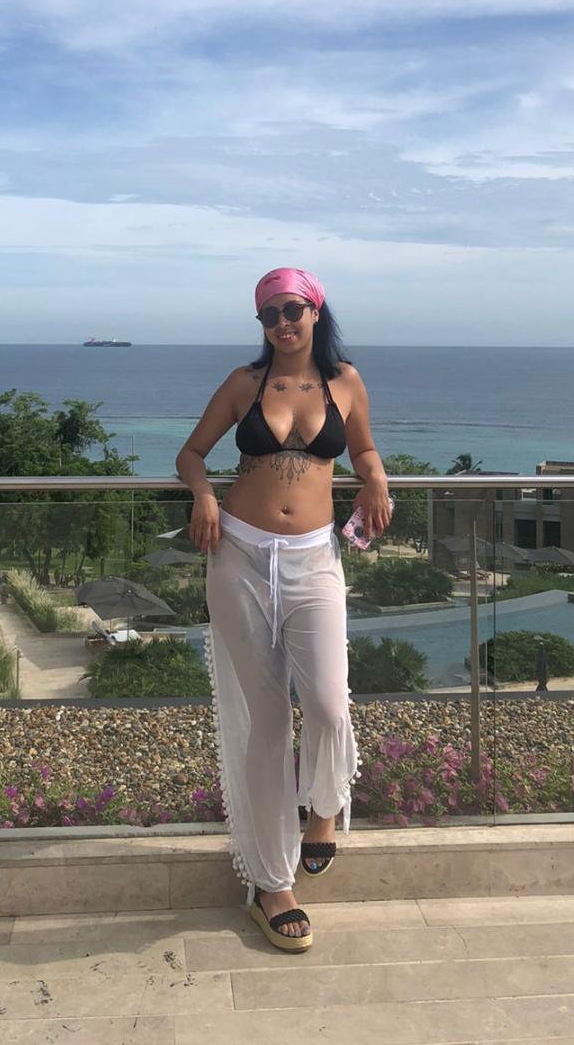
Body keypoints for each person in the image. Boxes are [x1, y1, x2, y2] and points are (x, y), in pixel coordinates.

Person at [176, 268, 390, 953]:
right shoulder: (245, 384)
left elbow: (361, 446)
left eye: (292, 310)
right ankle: (274, 884)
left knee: (327, 702)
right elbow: (191, 453)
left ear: (315, 311)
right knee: (267, 722)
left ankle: (324, 804)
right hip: (238, 555)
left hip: (313, 558)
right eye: (269, 315)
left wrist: (375, 478)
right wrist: (204, 496)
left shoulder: (344, 381)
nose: (282, 324)